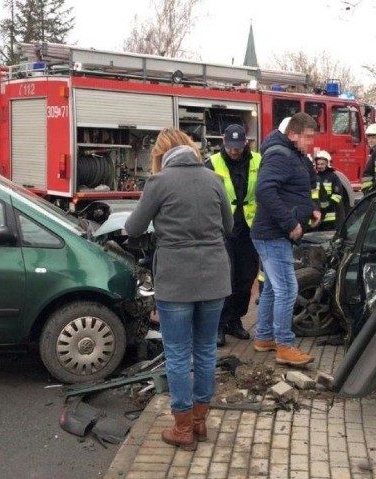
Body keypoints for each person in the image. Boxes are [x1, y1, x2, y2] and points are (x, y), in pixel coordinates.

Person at [125, 128, 233, 451]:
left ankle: (182, 427)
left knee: (177, 352)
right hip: (214, 278)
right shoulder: (214, 180)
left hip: (175, 281)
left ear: (161, 155)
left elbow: (132, 228)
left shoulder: (159, 183)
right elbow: (229, 227)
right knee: (205, 350)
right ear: (190, 150)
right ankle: (200, 421)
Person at [250, 112, 321, 367]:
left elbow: (298, 189)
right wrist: (290, 223)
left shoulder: (294, 155)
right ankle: (284, 345)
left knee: (271, 287)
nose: (310, 143)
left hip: (273, 234)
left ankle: (264, 337)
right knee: (288, 289)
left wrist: (311, 207)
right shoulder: (280, 155)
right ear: (293, 134)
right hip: (273, 234)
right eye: (307, 137)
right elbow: (265, 191)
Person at [205, 124, 261, 347]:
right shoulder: (212, 163)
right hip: (223, 229)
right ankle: (218, 324)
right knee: (224, 278)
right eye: (230, 147)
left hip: (249, 227)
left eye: (238, 147)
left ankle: (235, 320)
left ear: (245, 142)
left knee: (245, 278)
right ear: (223, 141)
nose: (234, 151)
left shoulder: (258, 160)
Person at [312, 151, 350, 231]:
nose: (319, 166)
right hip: (317, 213)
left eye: (322, 164)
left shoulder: (333, 177)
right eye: (318, 164)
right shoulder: (314, 176)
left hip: (330, 215)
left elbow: (338, 195)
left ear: (327, 164)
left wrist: (328, 203)